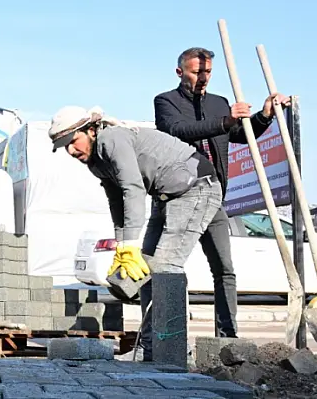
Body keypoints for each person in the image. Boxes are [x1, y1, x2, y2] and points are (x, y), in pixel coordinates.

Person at [47, 106, 225, 361]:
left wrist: (130, 243)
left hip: (195, 188)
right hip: (165, 197)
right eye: (65, 146)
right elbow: (116, 200)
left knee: (166, 268)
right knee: (144, 272)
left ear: (89, 130)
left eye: (73, 141)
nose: (71, 150)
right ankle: (149, 349)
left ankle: (174, 351)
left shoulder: (111, 139)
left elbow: (132, 188)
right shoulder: (95, 161)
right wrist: (122, 245)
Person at [154, 47, 288, 338]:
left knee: (224, 270)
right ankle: (161, 339)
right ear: (180, 72)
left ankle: (227, 336)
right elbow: (179, 130)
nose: (203, 77)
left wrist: (263, 115)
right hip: (179, 199)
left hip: (213, 198)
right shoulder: (166, 102)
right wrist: (226, 121)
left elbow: (239, 135)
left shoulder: (219, 103)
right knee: (166, 268)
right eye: (196, 72)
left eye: (208, 72)